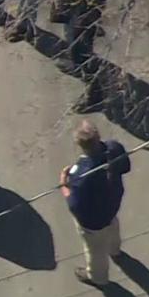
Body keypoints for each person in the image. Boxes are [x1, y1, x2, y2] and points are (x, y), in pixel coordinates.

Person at [59, 120, 131, 287]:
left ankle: (98, 278)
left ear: (80, 145)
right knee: (113, 227)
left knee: (95, 251)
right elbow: (125, 167)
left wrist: (63, 182)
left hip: (93, 223)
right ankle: (115, 251)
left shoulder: (80, 173)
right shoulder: (114, 148)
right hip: (111, 206)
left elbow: (74, 205)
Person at [49, 0, 107, 113]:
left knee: (81, 53)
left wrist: (87, 24)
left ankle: (95, 94)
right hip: (70, 13)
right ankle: (75, 63)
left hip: (83, 19)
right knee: (71, 42)